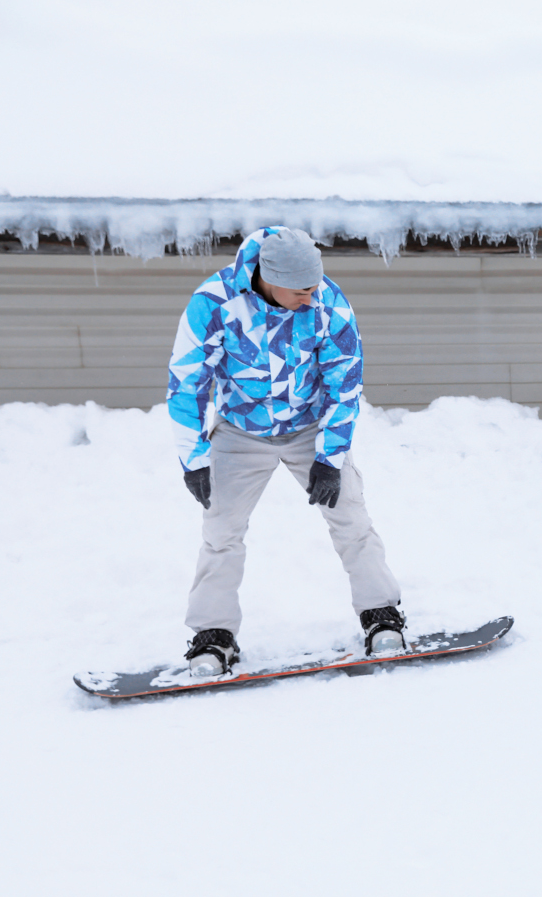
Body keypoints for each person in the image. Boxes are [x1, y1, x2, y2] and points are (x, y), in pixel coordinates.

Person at [167, 227, 406, 676]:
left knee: (351, 517)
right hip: (240, 432)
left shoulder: (328, 304)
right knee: (221, 532)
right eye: (301, 291)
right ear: (269, 278)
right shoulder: (214, 304)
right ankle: (213, 635)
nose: (312, 298)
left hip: (310, 427)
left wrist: (330, 457)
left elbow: (345, 382)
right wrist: (194, 457)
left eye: (316, 287)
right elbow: (187, 381)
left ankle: (381, 613)